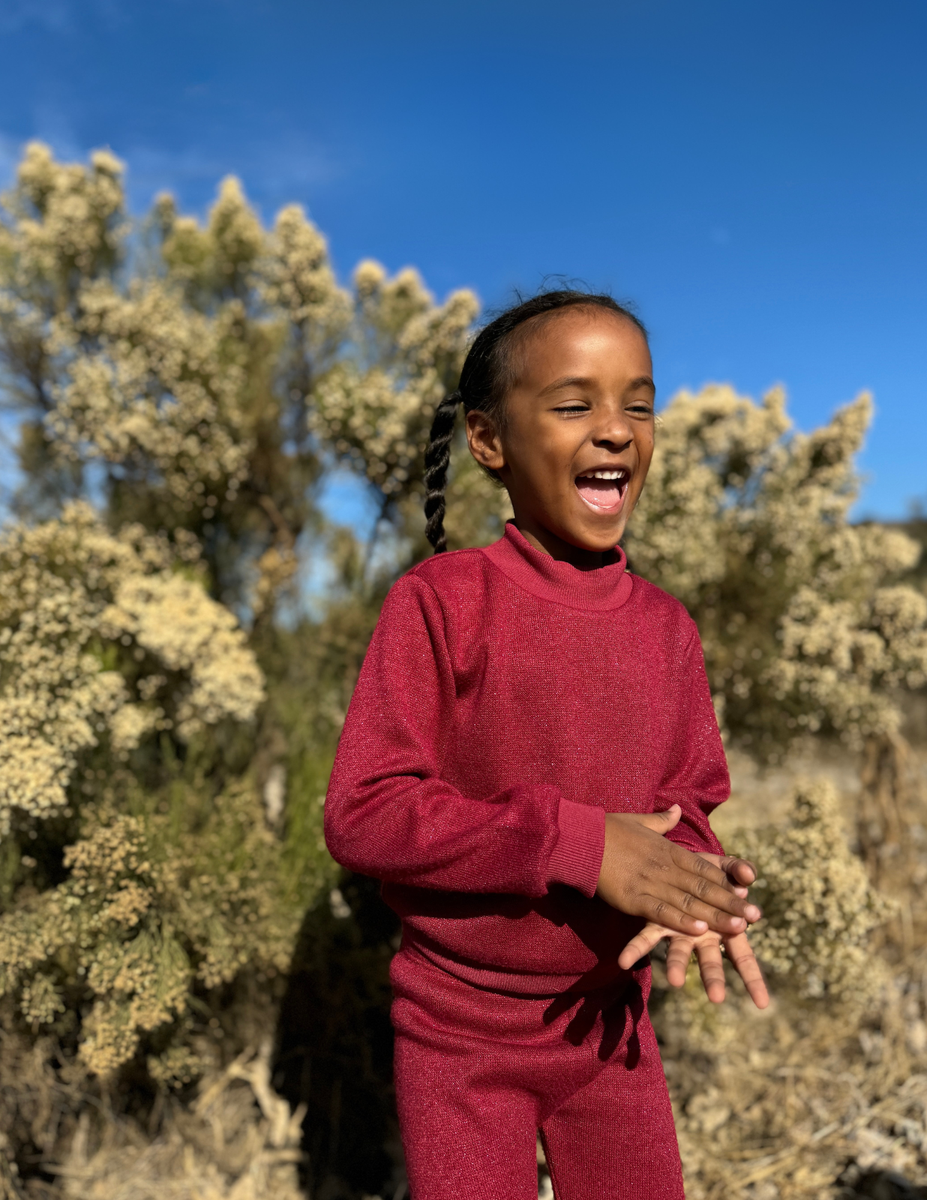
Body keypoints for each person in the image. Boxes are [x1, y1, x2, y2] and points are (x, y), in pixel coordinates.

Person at [324, 290, 769, 1200]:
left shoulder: (666, 629)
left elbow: (688, 800)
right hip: (456, 1035)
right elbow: (365, 812)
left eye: (638, 405)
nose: (614, 430)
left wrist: (691, 878)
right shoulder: (440, 602)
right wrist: (580, 845)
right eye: (573, 404)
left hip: (610, 1027)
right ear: (488, 440)